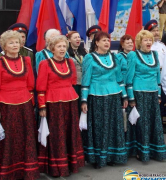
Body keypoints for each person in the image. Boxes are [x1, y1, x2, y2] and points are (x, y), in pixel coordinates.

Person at [0, 30, 40, 180]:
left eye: (17, 42)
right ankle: (7, 172)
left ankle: (26, 171)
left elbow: (30, 85)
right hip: (6, 106)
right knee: (8, 140)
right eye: (11, 43)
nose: (15, 45)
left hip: (25, 106)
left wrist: (31, 103)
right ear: (4, 46)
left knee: (25, 138)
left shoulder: (26, 60)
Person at [37, 35, 84, 177]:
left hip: (69, 102)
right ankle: (56, 166)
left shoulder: (70, 62)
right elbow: (40, 87)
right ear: (52, 49)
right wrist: (42, 106)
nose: (62, 49)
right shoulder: (45, 64)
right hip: (53, 103)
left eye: (64, 46)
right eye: (59, 46)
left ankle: (70, 163)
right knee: (57, 133)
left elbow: (73, 81)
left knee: (70, 131)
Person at [81, 31, 128, 169]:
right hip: (97, 96)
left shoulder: (115, 57)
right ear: (96, 43)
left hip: (114, 96)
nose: (107, 43)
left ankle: (111, 156)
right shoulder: (90, 58)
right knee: (99, 127)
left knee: (113, 126)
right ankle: (98, 157)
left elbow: (119, 79)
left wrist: (124, 96)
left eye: (108, 40)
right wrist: (84, 100)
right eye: (103, 41)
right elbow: (86, 79)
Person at [125, 30, 166, 162]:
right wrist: (131, 98)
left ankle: (155, 151)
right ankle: (141, 151)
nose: (149, 42)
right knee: (142, 123)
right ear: (139, 42)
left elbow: (158, 76)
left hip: (153, 93)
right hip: (139, 93)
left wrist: (159, 95)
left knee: (155, 122)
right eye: (145, 40)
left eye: (150, 40)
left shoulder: (155, 54)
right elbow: (129, 78)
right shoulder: (133, 55)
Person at [144, 20, 166, 125]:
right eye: (154, 31)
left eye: (157, 30)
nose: (157, 33)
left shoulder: (162, 46)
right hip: (152, 82)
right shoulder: (146, 47)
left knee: (162, 107)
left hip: (163, 81)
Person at [67, 31, 87, 113]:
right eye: (75, 37)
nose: (78, 39)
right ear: (69, 40)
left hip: (84, 82)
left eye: (79, 37)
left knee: (84, 106)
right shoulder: (66, 53)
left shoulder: (84, 51)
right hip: (74, 83)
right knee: (76, 107)